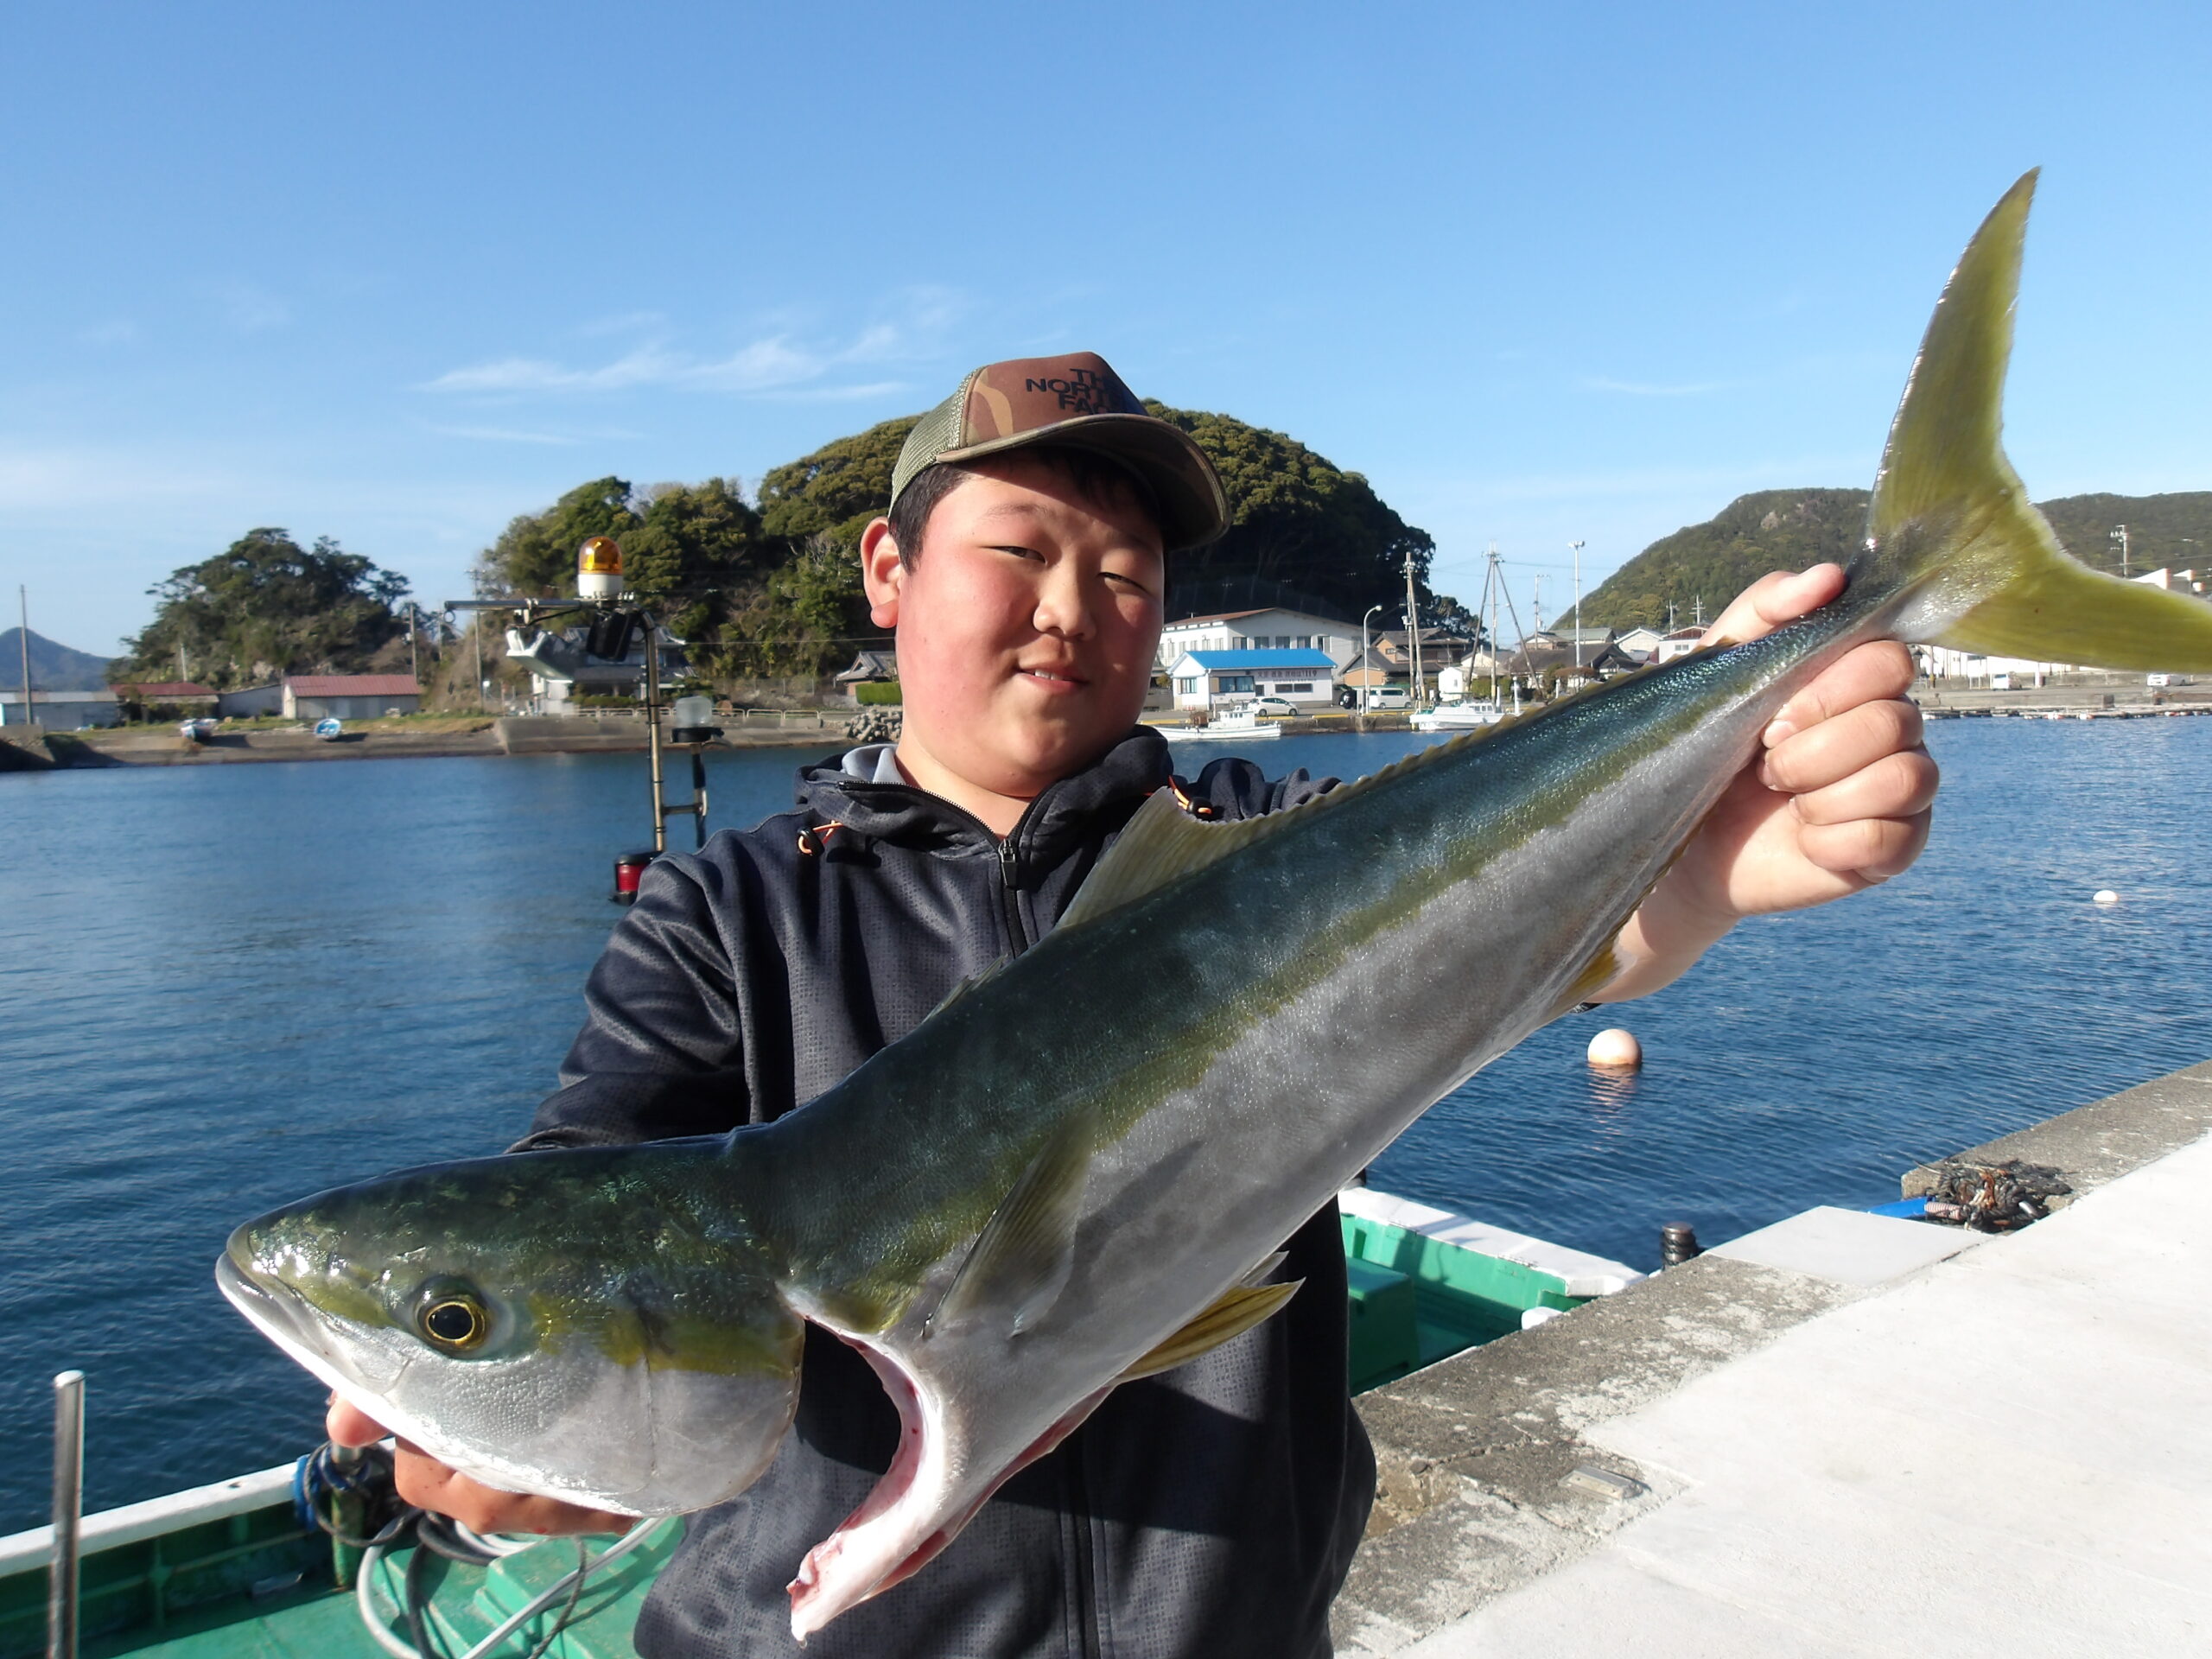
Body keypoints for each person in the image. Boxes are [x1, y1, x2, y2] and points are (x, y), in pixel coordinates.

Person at [329, 352, 1938, 1656]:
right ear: (890, 569)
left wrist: (1715, 862)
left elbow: (1497, 949)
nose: (1072, 608)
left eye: (1126, 571)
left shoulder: (1257, 839)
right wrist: (492, 1433)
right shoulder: (736, 907)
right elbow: (587, 1189)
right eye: (1019, 553)